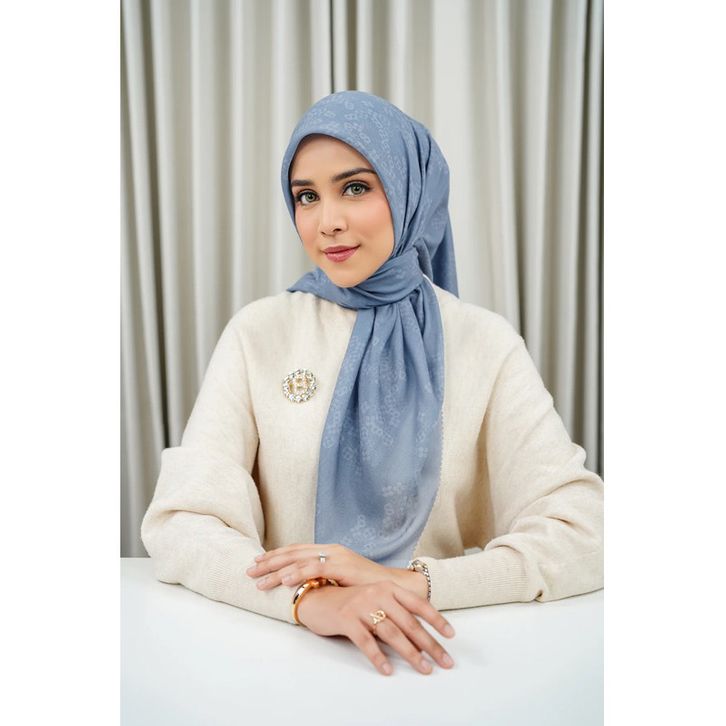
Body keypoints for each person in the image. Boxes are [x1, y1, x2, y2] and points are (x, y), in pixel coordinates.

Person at [140, 90, 604, 677]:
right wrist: (309, 599)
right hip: (277, 658)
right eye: (306, 196)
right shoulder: (260, 333)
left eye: (355, 188)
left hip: (441, 663)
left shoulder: (482, 343)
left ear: (411, 191)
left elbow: (586, 532)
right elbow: (182, 522)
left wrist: (410, 582)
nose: (327, 221)